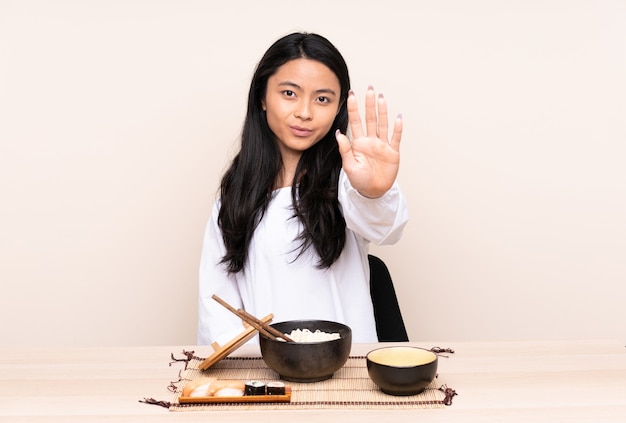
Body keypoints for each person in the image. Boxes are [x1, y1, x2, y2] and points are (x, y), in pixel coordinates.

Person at [197, 32, 408, 345]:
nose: (305, 112)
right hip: (267, 376)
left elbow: (386, 228)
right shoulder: (234, 197)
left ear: (337, 109)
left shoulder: (348, 180)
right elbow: (216, 312)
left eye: (322, 99)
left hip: (346, 372)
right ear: (262, 98)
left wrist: (373, 192)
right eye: (289, 93)